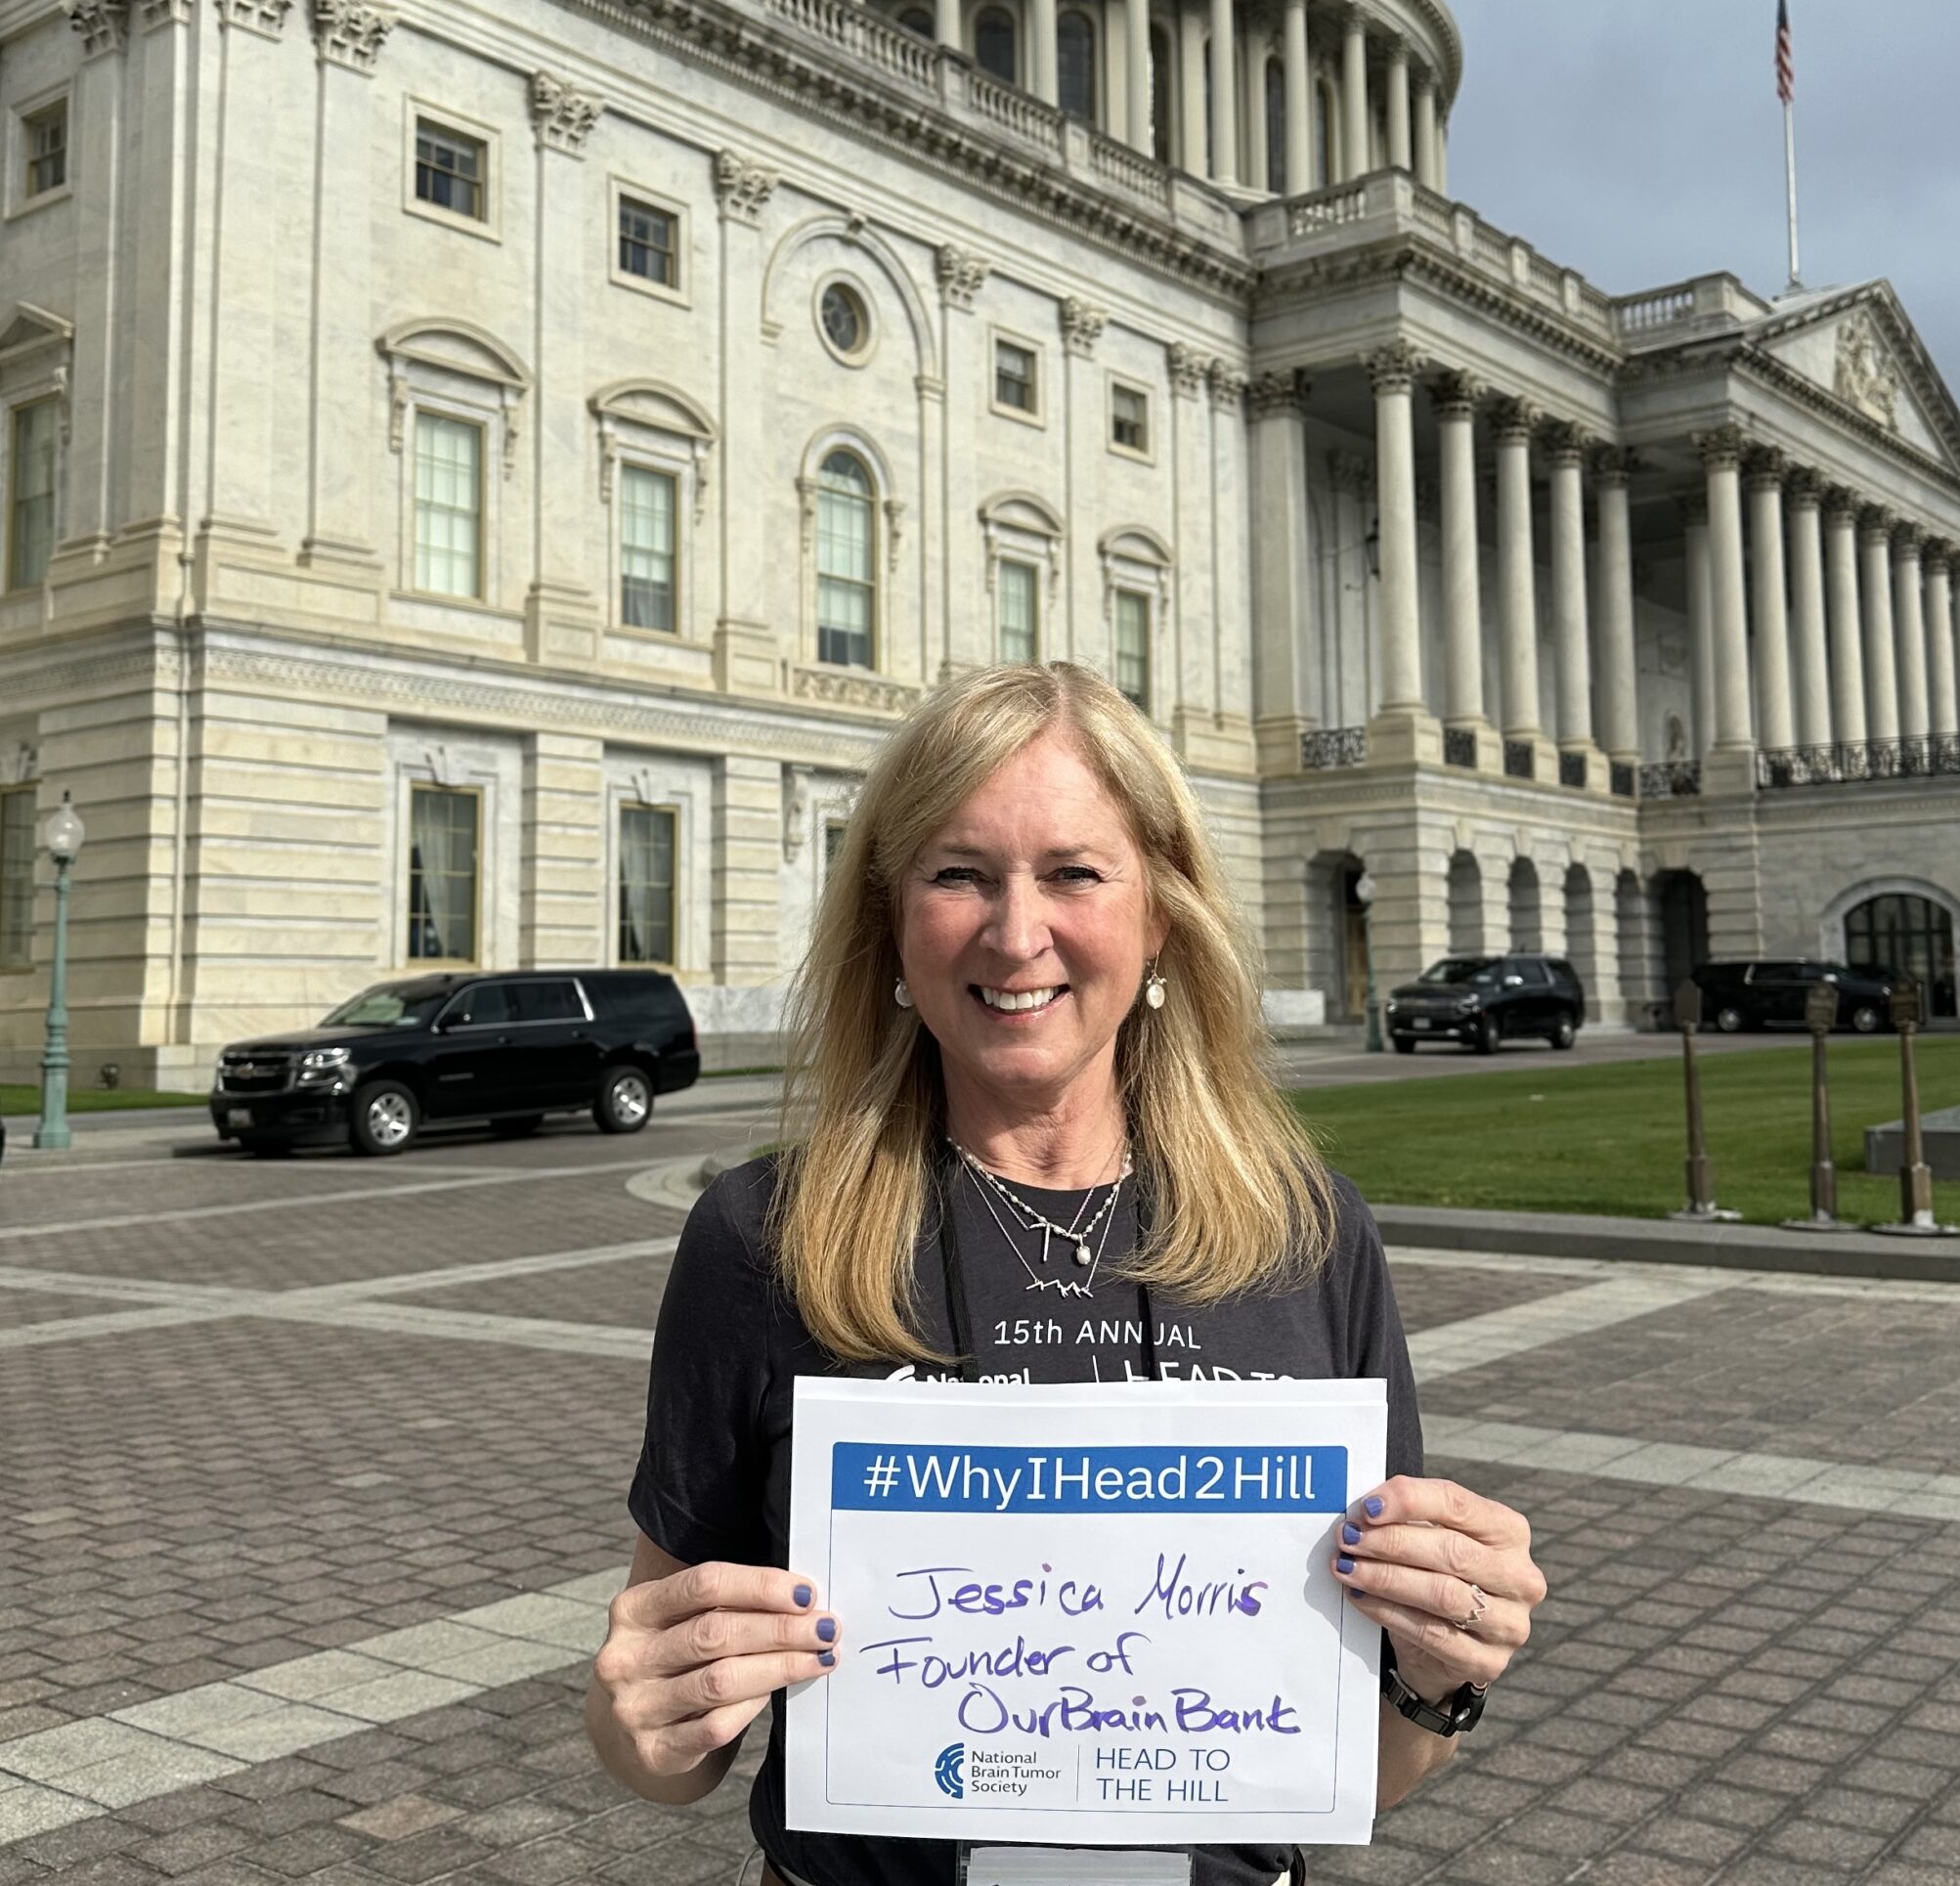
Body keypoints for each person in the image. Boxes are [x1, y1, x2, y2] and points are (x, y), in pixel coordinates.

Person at [587, 662, 1545, 1886]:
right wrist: (642, 1712)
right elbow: (661, 1754)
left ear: (1159, 916)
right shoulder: (767, 1234)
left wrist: (1444, 1672)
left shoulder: (1306, 1231)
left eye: (1074, 872)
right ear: (891, 922)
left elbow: (1358, 1772)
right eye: (959, 873)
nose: (1016, 930)